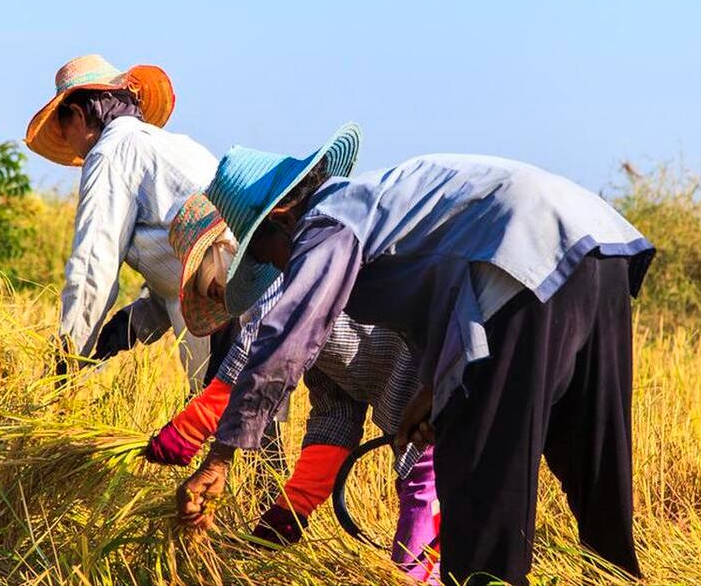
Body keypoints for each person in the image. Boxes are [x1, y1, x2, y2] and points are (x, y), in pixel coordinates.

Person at [178, 125, 655, 585]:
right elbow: (446, 290)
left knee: (480, 495)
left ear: (282, 216)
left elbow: (285, 342)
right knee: (594, 461)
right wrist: (432, 389)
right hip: (595, 241)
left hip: (523, 257)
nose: (275, 268)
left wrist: (219, 459)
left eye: (263, 255)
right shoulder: (379, 203)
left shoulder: (329, 222)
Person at [147, 193, 439, 580]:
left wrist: (186, 432)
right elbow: (336, 411)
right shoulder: (295, 310)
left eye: (205, 278)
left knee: (418, 549)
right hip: (409, 413)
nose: (213, 294)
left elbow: (252, 365)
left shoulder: (288, 280)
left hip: (433, 388)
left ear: (230, 251)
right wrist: (291, 511)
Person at [24, 54, 217, 383]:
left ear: (77, 114)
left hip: (216, 309)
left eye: (63, 126)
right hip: (254, 299)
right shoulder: (178, 146)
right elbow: (176, 258)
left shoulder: (110, 153)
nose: (68, 140)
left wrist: (67, 363)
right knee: (257, 427)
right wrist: (132, 324)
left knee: (224, 428)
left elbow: (91, 270)